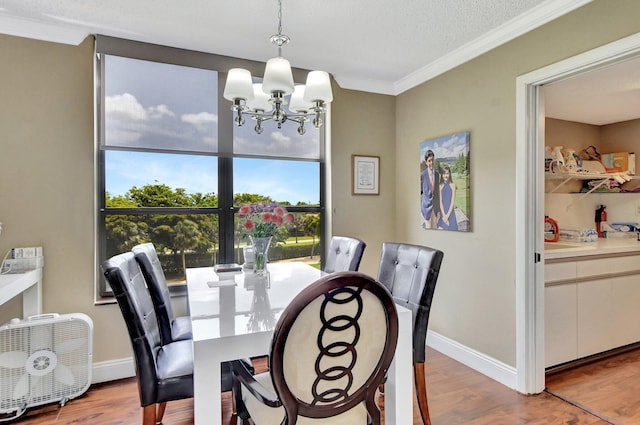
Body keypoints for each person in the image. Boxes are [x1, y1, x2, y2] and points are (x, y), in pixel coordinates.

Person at [420, 150, 440, 228]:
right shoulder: (423, 175)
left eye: (432, 160)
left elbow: (437, 193)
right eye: (429, 161)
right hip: (426, 209)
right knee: (428, 231)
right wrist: (422, 207)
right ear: (426, 162)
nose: (431, 163)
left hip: (435, 209)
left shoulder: (437, 175)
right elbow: (420, 192)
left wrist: (438, 210)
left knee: (435, 230)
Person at [437, 165, 458, 231]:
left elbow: (452, 202)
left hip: (450, 212)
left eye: (447, 173)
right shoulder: (440, 186)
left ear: (449, 174)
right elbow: (440, 202)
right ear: (442, 175)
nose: (445, 175)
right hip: (443, 212)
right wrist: (444, 216)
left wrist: (447, 216)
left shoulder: (453, 185)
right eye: (444, 173)